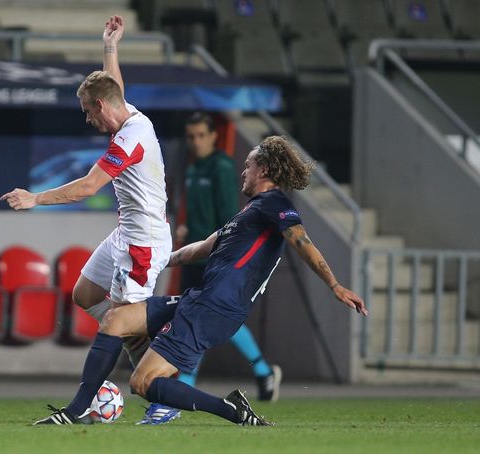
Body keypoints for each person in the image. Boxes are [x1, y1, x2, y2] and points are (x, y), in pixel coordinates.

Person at [34, 136, 367, 425]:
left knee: (142, 382)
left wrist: (334, 284)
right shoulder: (249, 214)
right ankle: (75, 410)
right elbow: (201, 249)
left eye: (248, 165)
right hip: (201, 298)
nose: (243, 171)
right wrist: (158, 260)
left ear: (264, 171)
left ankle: (231, 410)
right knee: (116, 319)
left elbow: (301, 241)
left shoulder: (275, 204)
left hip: (215, 309)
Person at [0, 15, 171, 370]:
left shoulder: (129, 139)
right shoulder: (129, 116)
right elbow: (114, 90)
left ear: (100, 107)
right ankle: (141, 347)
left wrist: (36, 198)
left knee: (124, 321)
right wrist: (110, 47)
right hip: (126, 233)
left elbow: (89, 187)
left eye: (86, 112)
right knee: (86, 294)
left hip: (143, 243)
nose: (86, 119)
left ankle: (163, 384)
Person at [139, 114, 280, 425]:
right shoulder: (193, 166)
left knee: (200, 322)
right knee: (195, 322)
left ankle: (255, 371)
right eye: (191, 136)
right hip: (194, 255)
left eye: (201, 135)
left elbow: (232, 217)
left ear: (214, 137)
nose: (196, 142)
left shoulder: (222, 166)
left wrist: (216, 246)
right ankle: (259, 371)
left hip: (216, 260)